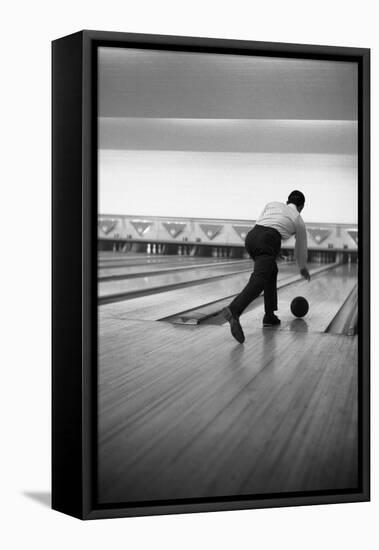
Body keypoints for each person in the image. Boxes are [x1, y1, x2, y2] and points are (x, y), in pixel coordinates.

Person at [222, 190, 310, 343]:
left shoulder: (272, 205)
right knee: (259, 279)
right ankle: (234, 310)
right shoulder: (298, 220)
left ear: (287, 200)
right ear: (302, 206)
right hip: (268, 241)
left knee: (271, 270)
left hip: (252, 237)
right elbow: (300, 248)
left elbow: (266, 225)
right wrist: (302, 268)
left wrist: (274, 251)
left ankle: (269, 315)